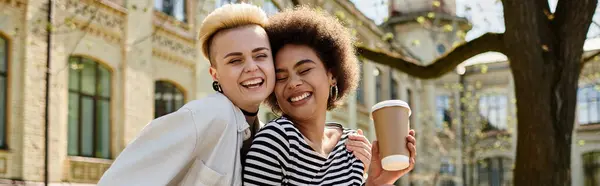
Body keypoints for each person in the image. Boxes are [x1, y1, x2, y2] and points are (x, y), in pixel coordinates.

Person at [97, 4, 275, 185]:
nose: (252, 67)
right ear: (215, 74)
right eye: (235, 60)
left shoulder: (261, 131)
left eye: (261, 56)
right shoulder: (210, 115)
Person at [242, 6, 417, 186]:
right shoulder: (275, 141)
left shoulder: (350, 146)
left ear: (332, 75)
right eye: (281, 77)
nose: (293, 83)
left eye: (305, 70)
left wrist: (377, 181)